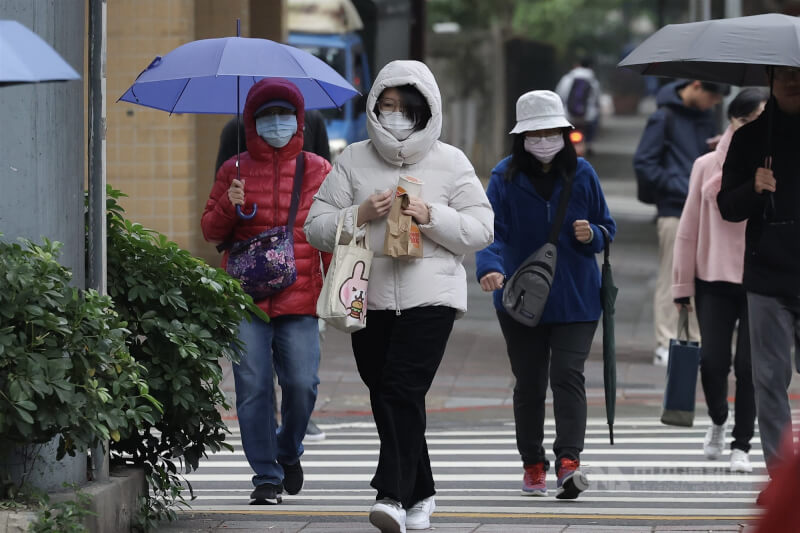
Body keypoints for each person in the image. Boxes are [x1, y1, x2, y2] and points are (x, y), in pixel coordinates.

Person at [304, 60, 493, 533]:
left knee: (400, 389)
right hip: (364, 299)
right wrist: (359, 213)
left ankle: (390, 494)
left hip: (431, 299)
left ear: (425, 111)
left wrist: (432, 216)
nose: (394, 116)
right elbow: (315, 227)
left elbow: (482, 229)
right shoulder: (351, 161)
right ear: (373, 107)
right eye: (385, 106)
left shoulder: (451, 162)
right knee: (389, 397)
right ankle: (422, 494)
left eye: (405, 108)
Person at [475, 90, 616, 500]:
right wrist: (489, 267)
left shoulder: (583, 174)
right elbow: (490, 231)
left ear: (563, 132)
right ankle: (533, 464)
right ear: (521, 137)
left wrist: (594, 235)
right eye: (534, 133)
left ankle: (569, 462)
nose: (542, 140)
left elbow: (608, 227)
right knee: (531, 382)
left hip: (576, 298)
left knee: (567, 376)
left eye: (550, 131)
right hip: (521, 300)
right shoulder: (503, 176)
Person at [201, 78, 332, 504]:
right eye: (266, 116)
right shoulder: (233, 170)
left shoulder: (319, 169)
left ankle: (288, 449)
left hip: (301, 294)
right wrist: (230, 205)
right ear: (252, 123)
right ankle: (266, 477)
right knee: (253, 385)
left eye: (283, 115)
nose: (275, 123)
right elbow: (210, 231)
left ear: (298, 121)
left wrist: (335, 289)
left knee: (302, 383)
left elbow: (332, 232)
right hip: (246, 297)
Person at [672, 87, 768, 474]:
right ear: (732, 120)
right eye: (745, 121)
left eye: (760, 122)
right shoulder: (706, 165)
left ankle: (741, 444)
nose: (751, 130)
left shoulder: (777, 166)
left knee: (749, 367)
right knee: (712, 362)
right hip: (712, 278)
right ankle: (717, 420)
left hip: (761, 280)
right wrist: (681, 286)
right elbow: (687, 229)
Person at [718, 66, 800, 479]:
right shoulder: (751, 138)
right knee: (769, 379)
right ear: (770, 78)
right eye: (784, 73)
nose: (792, 79)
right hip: (768, 276)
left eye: (799, 71)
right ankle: (784, 480)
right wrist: (753, 187)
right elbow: (727, 206)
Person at [633, 79, 729, 366]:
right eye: (712, 97)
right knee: (671, 278)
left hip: (705, 211)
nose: (713, 105)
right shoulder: (664, 117)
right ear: (696, 86)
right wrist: (682, 185)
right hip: (675, 209)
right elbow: (644, 163)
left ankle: (694, 340)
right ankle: (665, 342)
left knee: (701, 280)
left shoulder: (706, 120)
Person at [555, 57, 601, 154]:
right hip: (587, 117)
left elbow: (559, 95)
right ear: (591, 67)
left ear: (577, 65)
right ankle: (589, 144)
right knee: (594, 121)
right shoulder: (593, 81)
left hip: (568, 115)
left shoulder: (567, 78)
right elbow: (596, 99)